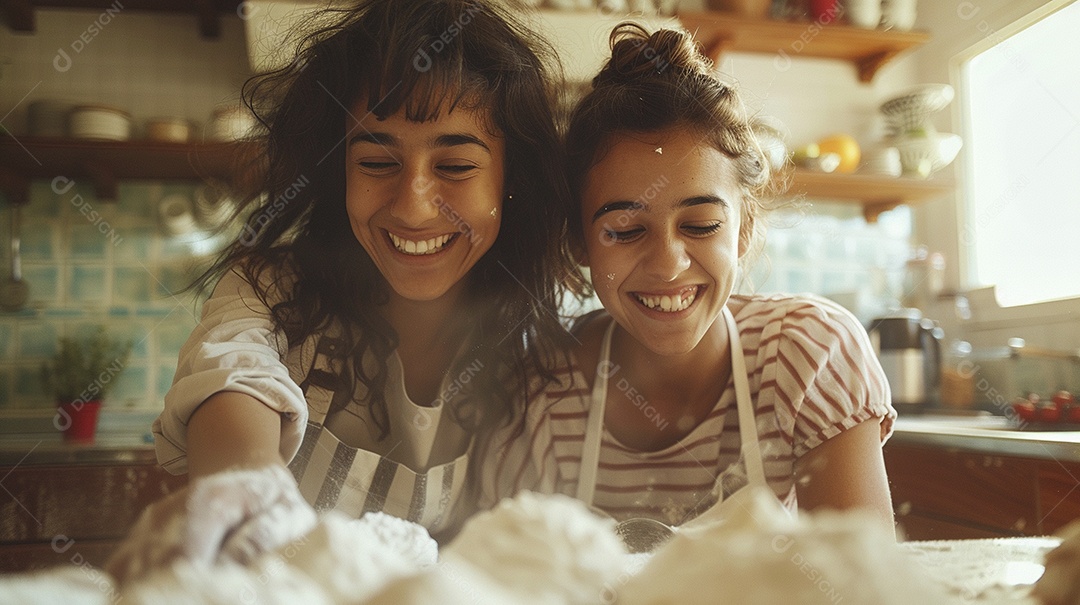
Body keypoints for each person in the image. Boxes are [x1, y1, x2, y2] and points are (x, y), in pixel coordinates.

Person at [107, 0, 584, 583]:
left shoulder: (536, 340)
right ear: (339, 174)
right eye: (377, 161)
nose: (413, 205)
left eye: (456, 167)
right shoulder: (270, 293)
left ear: (513, 181)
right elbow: (233, 376)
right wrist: (246, 484)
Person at [478, 22, 896, 531]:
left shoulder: (810, 355)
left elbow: (862, 582)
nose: (668, 263)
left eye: (700, 225)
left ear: (742, 232)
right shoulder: (539, 391)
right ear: (578, 242)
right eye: (626, 229)